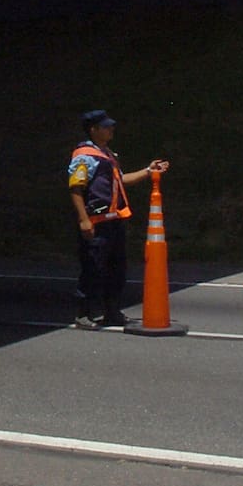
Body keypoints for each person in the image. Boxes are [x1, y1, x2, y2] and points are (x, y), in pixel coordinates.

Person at [68, 109, 168, 328]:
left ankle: (111, 310)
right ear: (93, 130)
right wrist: (84, 220)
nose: (111, 129)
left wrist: (148, 171)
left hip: (114, 221)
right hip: (97, 221)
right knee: (93, 268)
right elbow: (76, 188)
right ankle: (83, 312)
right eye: (106, 127)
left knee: (116, 269)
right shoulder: (85, 156)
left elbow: (121, 180)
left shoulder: (107, 154)